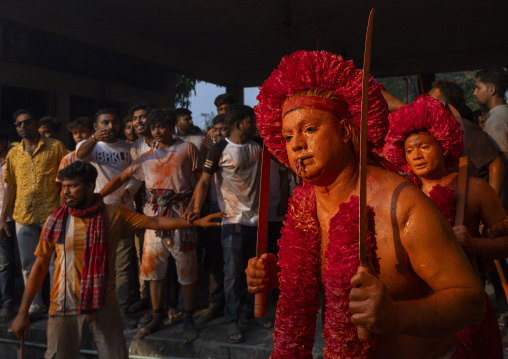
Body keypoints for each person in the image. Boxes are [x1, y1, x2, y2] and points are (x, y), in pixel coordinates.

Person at [245, 50, 485, 358]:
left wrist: (396, 316)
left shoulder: (401, 203)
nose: (297, 145)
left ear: (346, 131)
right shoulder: (305, 209)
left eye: (309, 129)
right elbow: (331, 281)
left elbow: (472, 302)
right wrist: (280, 275)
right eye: (288, 136)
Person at [10, 161, 223, 359]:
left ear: (90, 185)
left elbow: (155, 220)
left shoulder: (114, 214)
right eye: (64, 186)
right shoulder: (56, 220)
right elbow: (39, 266)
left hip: (104, 304)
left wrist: (195, 223)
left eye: (73, 186)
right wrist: (22, 313)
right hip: (63, 307)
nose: (66, 192)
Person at [384, 95, 505, 358]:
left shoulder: (475, 190)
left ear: (442, 146)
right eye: (409, 150)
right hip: (422, 312)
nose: (416, 156)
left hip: (469, 309)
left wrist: (474, 243)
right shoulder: (400, 194)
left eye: (424, 147)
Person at [100, 108, 202, 342]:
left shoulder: (187, 149)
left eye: (161, 126)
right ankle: (157, 316)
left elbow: (201, 181)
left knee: (187, 270)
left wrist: (194, 208)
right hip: (153, 216)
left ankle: (188, 317)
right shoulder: (146, 157)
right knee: (153, 272)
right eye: (153, 126)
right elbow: (121, 178)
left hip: (181, 215)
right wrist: (99, 196)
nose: (157, 130)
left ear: (172, 126)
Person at [186, 104, 262, 343]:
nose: (256, 125)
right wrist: (196, 209)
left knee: (255, 272)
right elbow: (204, 182)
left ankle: (252, 314)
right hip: (231, 221)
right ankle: (232, 320)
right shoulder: (219, 149)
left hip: (258, 221)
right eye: (252, 121)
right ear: (240, 124)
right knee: (231, 273)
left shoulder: (258, 146)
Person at [76, 107, 141, 328]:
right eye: (105, 123)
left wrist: (128, 190)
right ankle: (92, 309)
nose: (110, 127)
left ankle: (121, 311)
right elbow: (79, 156)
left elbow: (138, 175)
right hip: (94, 214)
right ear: (96, 126)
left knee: (122, 266)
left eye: (113, 123)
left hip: (122, 213)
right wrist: (94, 138)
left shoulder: (130, 148)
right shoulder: (90, 147)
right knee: (94, 264)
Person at [0, 109, 67, 320]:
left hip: (51, 214)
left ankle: (58, 303)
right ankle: (35, 305)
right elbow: (10, 186)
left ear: (36, 124)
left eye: (27, 122)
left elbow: (66, 180)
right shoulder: (13, 153)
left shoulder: (55, 147)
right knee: (29, 265)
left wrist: (64, 210)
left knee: (56, 264)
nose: (22, 127)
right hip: (23, 215)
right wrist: (2, 218)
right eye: (18, 124)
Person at [429, 79, 504, 195]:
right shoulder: (435, 129)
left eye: (430, 100)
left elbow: (496, 164)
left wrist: (492, 204)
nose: (425, 104)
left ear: (443, 104)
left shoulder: (466, 129)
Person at [193, 114, 230, 324]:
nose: (219, 133)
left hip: (235, 214)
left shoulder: (241, 150)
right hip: (213, 212)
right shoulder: (208, 151)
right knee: (215, 261)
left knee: (236, 263)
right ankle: (215, 305)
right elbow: (202, 182)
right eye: (216, 130)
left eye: (223, 129)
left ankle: (241, 306)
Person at [474, 67, 508, 208]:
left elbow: (502, 164)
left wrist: (493, 208)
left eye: (478, 88)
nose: (475, 93)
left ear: (492, 89)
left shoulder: (495, 121)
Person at [0, 131, 16, 323]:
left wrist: (2, 218)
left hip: (8, 218)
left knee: (5, 264)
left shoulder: (10, 163)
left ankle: (7, 304)